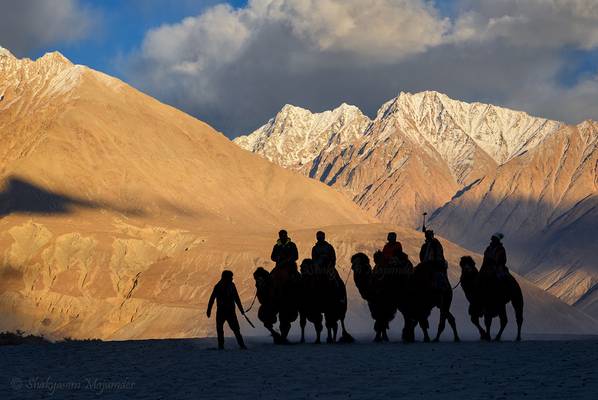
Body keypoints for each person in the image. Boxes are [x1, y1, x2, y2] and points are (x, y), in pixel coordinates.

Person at [207, 270, 247, 350]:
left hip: (227, 311)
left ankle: (239, 345)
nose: (232, 278)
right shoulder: (220, 286)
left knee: (232, 329)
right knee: (225, 329)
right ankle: (226, 345)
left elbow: (236, 298)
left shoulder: (228, 285)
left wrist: (241, 309)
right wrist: (209, 310)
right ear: (226, 278)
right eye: (230, 277)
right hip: (225, 311)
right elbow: (212, 299)